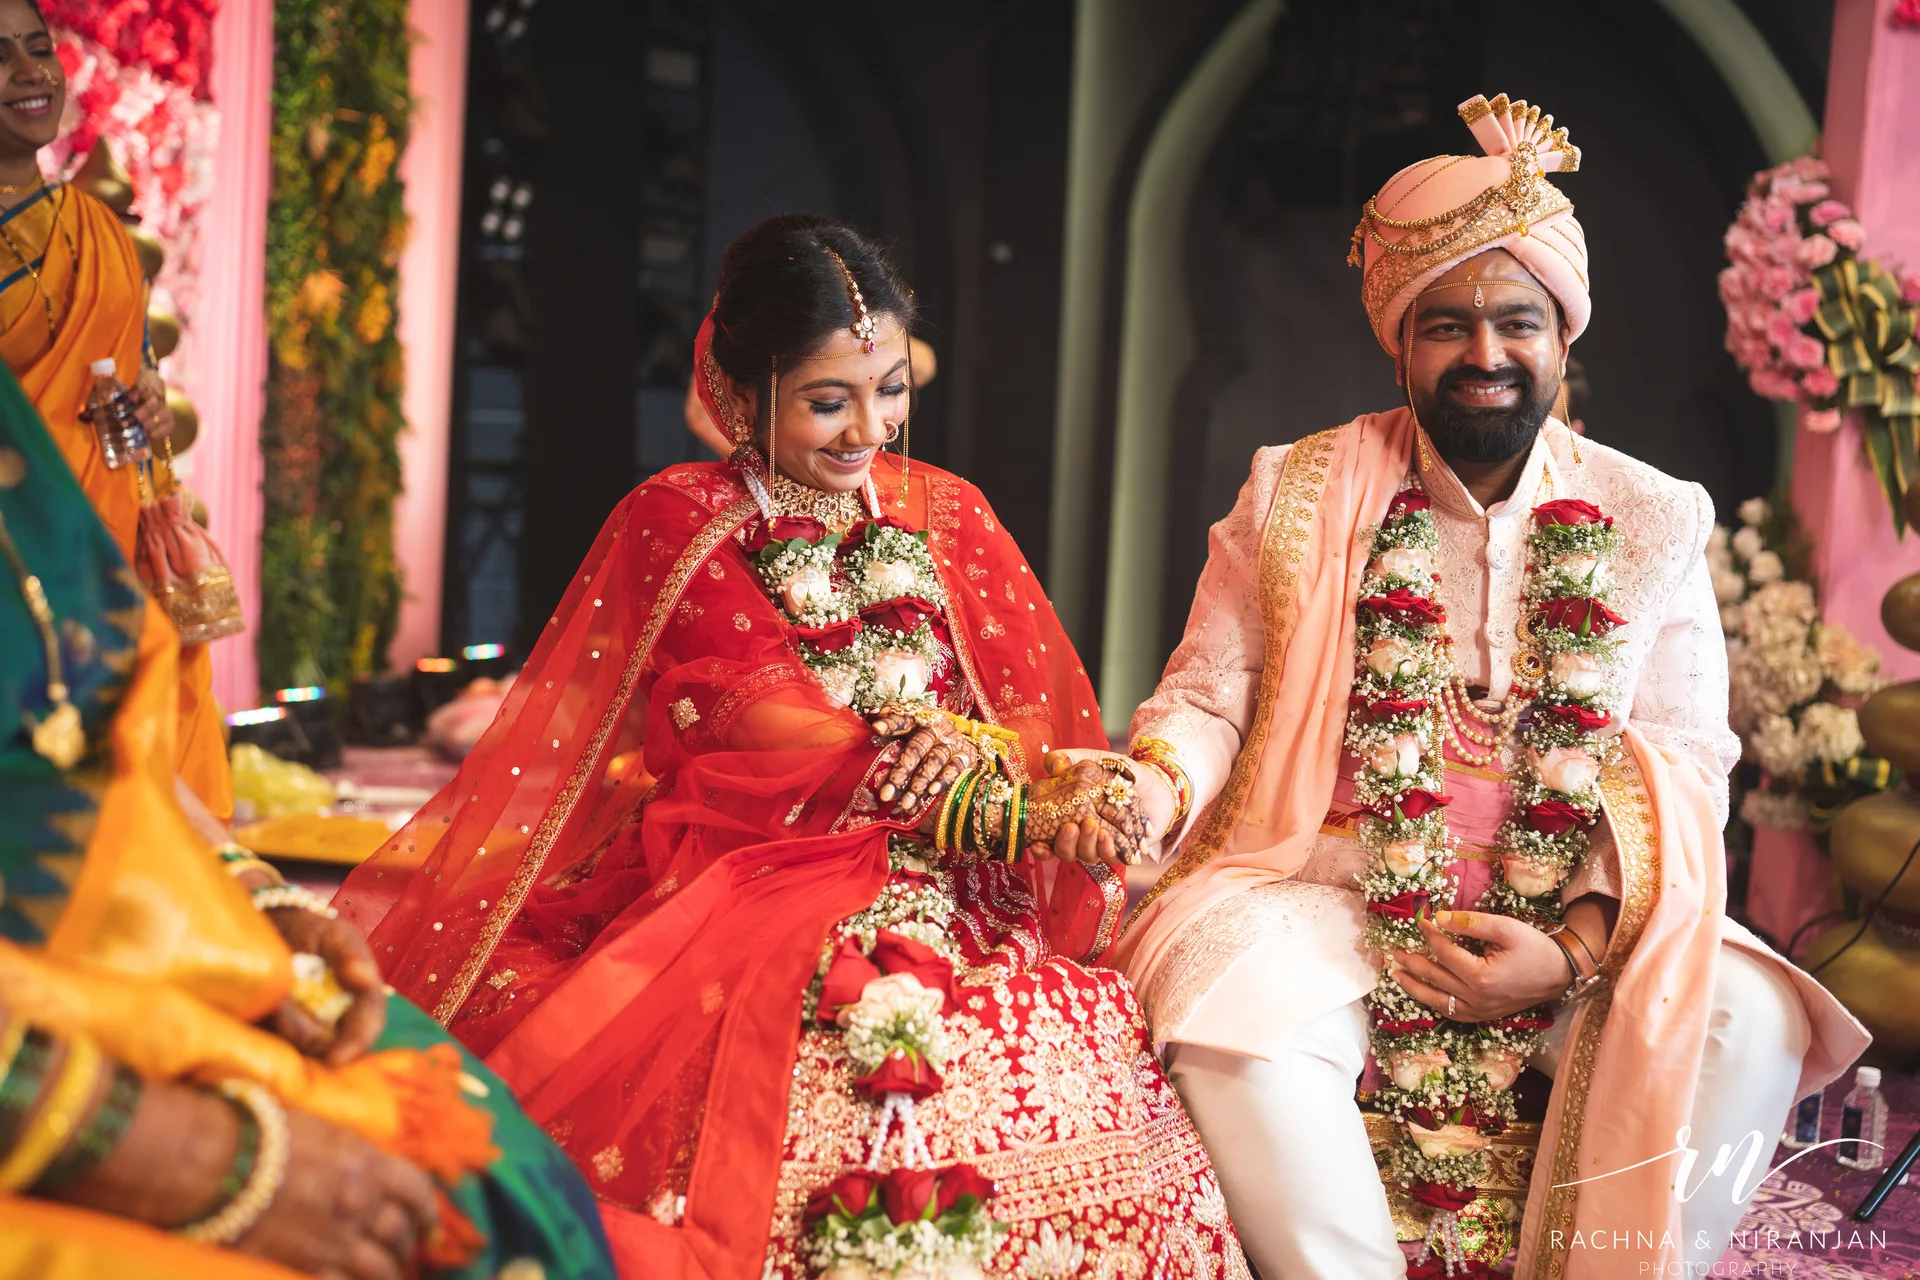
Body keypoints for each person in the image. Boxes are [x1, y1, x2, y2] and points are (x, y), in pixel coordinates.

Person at [339, 214, 1248, 1279]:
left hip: (975, 883)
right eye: (829, 400)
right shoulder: (682, 516)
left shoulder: (947, 511)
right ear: (738, 394)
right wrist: (948, 786)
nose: (870, 429)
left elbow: (1029, 697)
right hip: (764, 868)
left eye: (892, 388)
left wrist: (1015, 769)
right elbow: (751, 718)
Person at [1106, 95, 1868, 1279]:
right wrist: (1152, 784)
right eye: (1446, 324)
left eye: (1518, 321)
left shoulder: (1653, 513)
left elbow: (1683, 752)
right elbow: (1213, 690)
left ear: (1565, 336)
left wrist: (1569, 947)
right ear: (1399, 340)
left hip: (1569, 911)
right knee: (1233, 1013)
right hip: (1338, 885)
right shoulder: (1294, 490)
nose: (1485, 355)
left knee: (1753, 1015)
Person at [0, 360, 615, 1280]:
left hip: (130, 931)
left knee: (500, 1174)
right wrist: (198, 1160)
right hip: (50, 1057)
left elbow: (89, 741)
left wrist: (261, 896)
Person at [0, 0, 230, 821]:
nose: (30, 73)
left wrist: (152, 412)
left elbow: (137, 385)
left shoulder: (97, 230)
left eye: (38, 49)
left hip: (97, 548)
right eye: (2, 57)